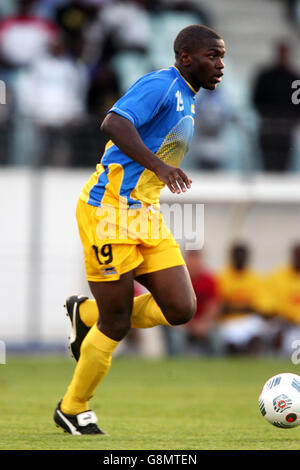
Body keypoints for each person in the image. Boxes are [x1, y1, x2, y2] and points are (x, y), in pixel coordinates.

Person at [53, 24, 225, 435]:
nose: (220, 65)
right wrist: (160, 166)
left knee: (181, 309)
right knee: (117, 324)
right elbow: (113, 123)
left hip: (144, 213)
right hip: (108, 210)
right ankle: (73, 408)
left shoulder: (188, 96)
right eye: (212, 56)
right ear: (185, 57)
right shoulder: (161, 85)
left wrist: (157, 173)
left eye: (222, 57)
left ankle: (86, 313)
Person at [252, 41, 300, 172]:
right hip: (268, 127)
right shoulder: (265, 76)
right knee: (268, 163)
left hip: (286, 129)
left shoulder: (294, 78)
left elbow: (297, 104)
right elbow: (256, 100)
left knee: (283, 164)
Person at [216, 243, 271, 355]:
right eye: (237, 256)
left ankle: (253, 359)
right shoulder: (222, 277)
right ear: (232, 257)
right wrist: (245, 307)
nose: (240, 259)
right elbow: (222, 308)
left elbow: (260, 308)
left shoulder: (255, 278)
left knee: (258, 331)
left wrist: (236, 307)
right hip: (229, 321)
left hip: (249, 320)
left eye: (243, 256)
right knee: (229, 340)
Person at [184, 250, 220, 354]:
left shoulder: (209, 280)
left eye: (197, 259)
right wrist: (193, 325)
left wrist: (204, 323)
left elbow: (214, 305)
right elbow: (175, 308)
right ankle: (175, 364)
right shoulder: (180, 280)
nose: (194, 263)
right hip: (184, 323)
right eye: (191, 259)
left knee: (217, 338)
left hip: (204, 322)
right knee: (175, 337)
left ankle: (218, 366)